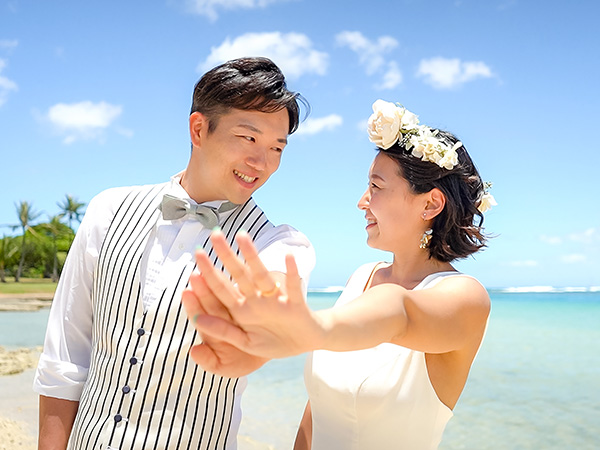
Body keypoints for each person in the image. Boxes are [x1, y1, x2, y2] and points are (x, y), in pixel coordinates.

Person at [33, 57, 315, 450]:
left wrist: (273, 318)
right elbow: (66, 357)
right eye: (248, 138)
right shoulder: (108, 211)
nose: (262, 163)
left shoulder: (276, 244)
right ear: (198, 129)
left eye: (276, 148)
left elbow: (280, 292)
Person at [182, 99, 496, 449]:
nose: (362, 201)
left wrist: (310, 331)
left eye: (376, 187)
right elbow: (317, 411)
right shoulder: (362, 277)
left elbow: (400, 312)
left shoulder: (466, 297)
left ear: (430, 204)